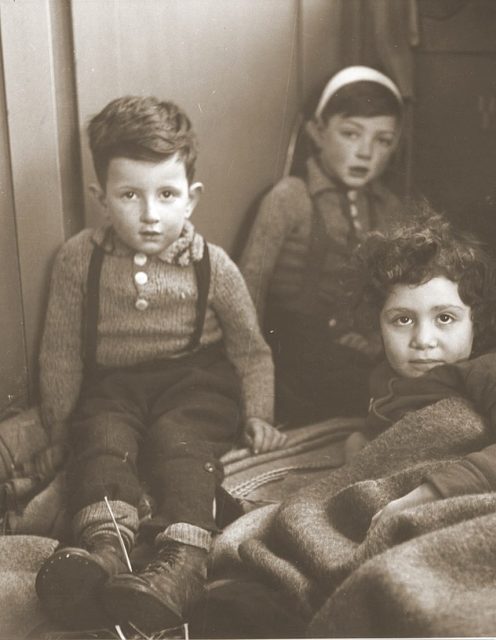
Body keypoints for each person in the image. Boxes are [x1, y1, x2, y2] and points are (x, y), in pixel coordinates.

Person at [34, 96, 287, 633]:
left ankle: (183, 563)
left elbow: (249, 347)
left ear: (191, 198)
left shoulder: (211, 265)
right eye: (130, 195)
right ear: (102, 198)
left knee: (181, 444)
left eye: (166, 195)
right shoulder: (80, 258)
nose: (150, 214)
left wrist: (260, 412)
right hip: (115, 384)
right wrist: (58, 424)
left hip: (195, 380)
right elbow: (60, 350)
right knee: (101, 438)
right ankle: (105, 550)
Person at [343, 218, 496, 528]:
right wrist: (360, 448)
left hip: (480, 496)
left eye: (445, 318)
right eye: (402, 320)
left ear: (476, 320)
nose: (423, 340)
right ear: (378, 325)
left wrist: (433, 494)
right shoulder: (385, 377)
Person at [238, 66, 433, 425]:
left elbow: (398, 290)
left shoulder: (389, 207)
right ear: (317, 132)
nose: (365, 153)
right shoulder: (289, 198)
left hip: (353, 350)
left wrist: (376, 339)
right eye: (350, 134)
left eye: (382, 140)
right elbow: (250, 290)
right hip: (289, 354)